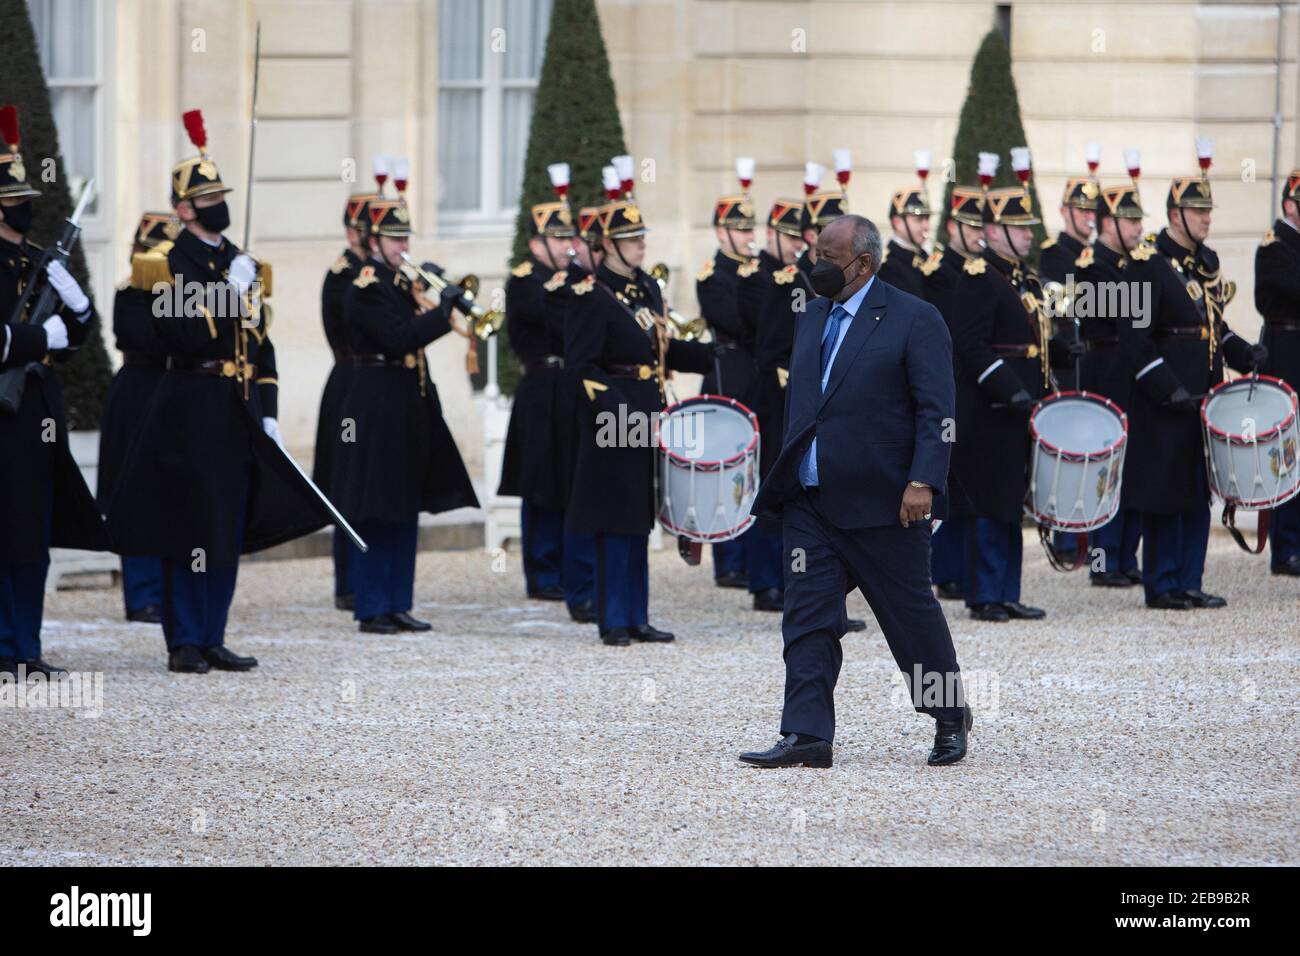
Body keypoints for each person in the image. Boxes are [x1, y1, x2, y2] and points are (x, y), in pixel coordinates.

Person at [739, 214, 970, 769]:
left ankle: (948, 714)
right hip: (811, 500)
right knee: (808, 618)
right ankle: (807, 734)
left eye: (826, 257)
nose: (813, 266)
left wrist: (923, 481)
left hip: (886, 502)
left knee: (910, 618)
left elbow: (936, 410)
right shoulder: (811, 315)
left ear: (863, 263)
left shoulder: (915, 318)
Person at [107, 109, 330, 673]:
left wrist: (271, 410)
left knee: (227, 522)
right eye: (205, 199)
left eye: (219, 195)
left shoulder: (238, 261)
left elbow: (262, 342)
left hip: (238, 405)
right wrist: (227, 296)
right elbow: (179, 333)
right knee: (190, 522)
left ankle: (212, 633)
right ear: (183, 209)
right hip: (190, 401)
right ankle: (183, 638)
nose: (216, 205)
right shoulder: (162, 264)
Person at [564, 161, 714, 646]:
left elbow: (664, 347)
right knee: (613, 516)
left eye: (641, 237)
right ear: (606, 245)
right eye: (630, 239)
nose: (641, 244)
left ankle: (638, 615)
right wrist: (620, 416)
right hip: (614, 414)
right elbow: (581, 368)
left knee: (638, 515)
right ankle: (613, 619)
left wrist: (716, 356)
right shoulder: (591, 295)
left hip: (649, 408)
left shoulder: (646, 286)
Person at [1118, 146, 1263, 609]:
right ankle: (1161, 584)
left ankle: (1188, 579)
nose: (1206, 219)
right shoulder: (1145, 265)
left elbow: (1214, 328)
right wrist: (1167, 390)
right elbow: (1135, 341)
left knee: (1196, 490)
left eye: (1207, 211)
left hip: (1201, 395)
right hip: (1165, 398)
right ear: (1175, 215)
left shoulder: (1204, 264)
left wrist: (1247, 354)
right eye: (1198, 211)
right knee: (1164, 490)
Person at [331, 194, 480, 634]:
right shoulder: (365, 286)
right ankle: (372, 605)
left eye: (405, 238)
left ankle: (398, 601)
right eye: (394, 239)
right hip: (375, 402)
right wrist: (444, 312)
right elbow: (396, 338)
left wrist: (435, 294)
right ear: (374, 242)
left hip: (406, 401)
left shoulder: (399, 284)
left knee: (403, 504)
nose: (402, 246)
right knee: (377, 506)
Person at [0, 104, 109, 678]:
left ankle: (26, 646)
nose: (24, 203)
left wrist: (79, 307)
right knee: (4, 530)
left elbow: (79, 335)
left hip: (38, 408)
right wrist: (34, 336)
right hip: (3, 413)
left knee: (32, 535)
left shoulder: (38, 259)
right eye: (13, 196)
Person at [948, 167, 1082, 622]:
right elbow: (969, 345)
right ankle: (985, 594)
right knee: (989, 502)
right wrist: (1009, 390)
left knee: (1010, 502)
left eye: (1028, 228)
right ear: (992, 231)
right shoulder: (977, 278)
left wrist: (1063, 351)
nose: (1029, 236)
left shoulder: (1022, 280)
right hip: (991, 409)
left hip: (1023, 408)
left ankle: (1007, 590)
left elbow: (1031, 345)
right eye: (1020, 228)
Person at [498, 164, 591, 614]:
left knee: (574, 479)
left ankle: (571, 570)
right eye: (559, 240)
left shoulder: (574, 280)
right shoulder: (523, 281)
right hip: (540, 385)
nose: (569, 246)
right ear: (537, 243)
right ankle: (542, 571)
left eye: (571, 239)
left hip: (571, 385)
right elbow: (551, 318)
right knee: (540, 482)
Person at [97, 212, 178, 625]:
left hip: (174, 393)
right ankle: (143, 593)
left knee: (173, 495)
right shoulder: (130, 294)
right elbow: (144, 338)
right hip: (139, 393)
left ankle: (171, 590)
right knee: (137, 493)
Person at [1075, 181, 1146, 587]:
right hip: (1106, 368)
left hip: (1134, 369)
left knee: (1136, 466)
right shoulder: (1090, 264)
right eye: (1129, 220)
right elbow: (1127, 313)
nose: (1137, 229)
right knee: (1107, 470)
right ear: (1107, 223)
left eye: (1138, 220)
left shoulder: (1135, 265)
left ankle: (1126, 556)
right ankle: (1102, 562)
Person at [738, 196, 806, 613]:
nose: (797, 244)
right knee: (770, 485)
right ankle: (764, 581)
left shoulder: (800, 278)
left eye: (802, 236)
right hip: (769, 389)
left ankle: (801, 583)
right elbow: (758, 336)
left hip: (800, 393)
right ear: (772, 235)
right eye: (790, 236)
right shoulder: (758, 278)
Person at [919, 185, 986, 601]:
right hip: (948, 381)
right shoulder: (938, 272)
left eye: (982, 225)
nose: (978, 232)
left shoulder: (979, 271)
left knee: (970, 479)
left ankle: (962, 568)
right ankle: (945, 568)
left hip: (971, 386)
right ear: (952, 228)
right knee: (948, 475)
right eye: (970, 225)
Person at [696, 158, 760, 591]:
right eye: (740, 230)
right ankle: (729, 559)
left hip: (756, 371)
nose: (748, 237)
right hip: (728, 371)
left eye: (750, 229)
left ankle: (754, 553)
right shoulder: (712, 276)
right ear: (722, 232)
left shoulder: (758, 273)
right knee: (727, 469)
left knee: (757, 468)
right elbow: (738, 322)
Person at [314, 190, 377, 613]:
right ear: (354, 233)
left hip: (378, 384)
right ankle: (349, 582)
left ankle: (377, 578)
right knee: (349, 486)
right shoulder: (343, 274)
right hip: (352, 380)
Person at [1256, 168, 1300, 576]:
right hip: (1287, 354)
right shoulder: (1275, 247)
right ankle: (1285, 548)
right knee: (1286, 454)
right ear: (1291, 205)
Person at [876, 150, 933, 299]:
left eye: (927, 219)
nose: (926, 226)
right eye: (919, 220)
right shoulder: (887, 265)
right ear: (898, 223)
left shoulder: (925, 257)